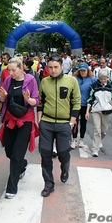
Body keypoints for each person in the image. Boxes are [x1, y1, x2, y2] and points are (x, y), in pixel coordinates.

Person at [37, 53, 81, 198]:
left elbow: (76, 102)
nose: (53, 70)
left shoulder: (71, 81)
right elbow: (40, 102)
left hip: (64, 124)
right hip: (47, 123)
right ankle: (48, 183)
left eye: (56, 67)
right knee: (45, 153)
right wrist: (40, 120)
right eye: (50, 67)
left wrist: (72, 121)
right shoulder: (44, 81)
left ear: (62, 66)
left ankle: (65, 168)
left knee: (63, 152)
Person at [0, 57, 39, 199]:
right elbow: (2, 99)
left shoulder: (31, 80)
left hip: (25, 120)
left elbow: (35, 101)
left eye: (14, 70)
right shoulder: (8, 80)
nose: (11, 72)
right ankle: (22, 164)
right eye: (9, 70)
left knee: (16, 154)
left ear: (21, 68)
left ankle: (11, 187)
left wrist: (28, 99)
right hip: (10, 118)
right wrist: (2, 97)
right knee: (9, 151)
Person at [85, 69, 112, 157]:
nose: (103, 81)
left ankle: (99, 140)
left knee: (103, 131)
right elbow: (90, 99)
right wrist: (87, 112)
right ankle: (95, 149)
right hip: (96, 110)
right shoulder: (94, 86)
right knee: (97, 130)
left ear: (107, 78)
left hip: (107, 110)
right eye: (101, 79)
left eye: (105, 79)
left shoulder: (111, 86)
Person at [71, 62, 97, 149]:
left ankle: (81, 139)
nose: (83, 72)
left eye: (84, 71)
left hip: (86, 104)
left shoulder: (92, 79)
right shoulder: (74, 79)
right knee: (74, 122)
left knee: (83, 122)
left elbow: (97, 88)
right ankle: (74, 139)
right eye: (81, 70)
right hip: (75, 104)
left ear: (87, 70)